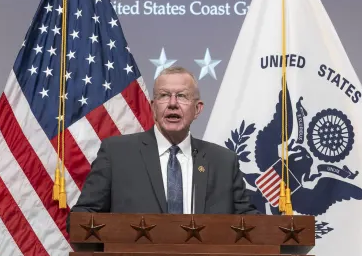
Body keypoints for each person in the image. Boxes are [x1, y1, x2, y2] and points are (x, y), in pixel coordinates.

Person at [74, 66, 257, 215]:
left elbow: (248, 225)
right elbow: (83, 218)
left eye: (182, 96)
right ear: (153, 108)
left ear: (198, 109)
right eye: (163, 95)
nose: (172, 103)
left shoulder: (223, 162)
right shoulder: (117, 154)